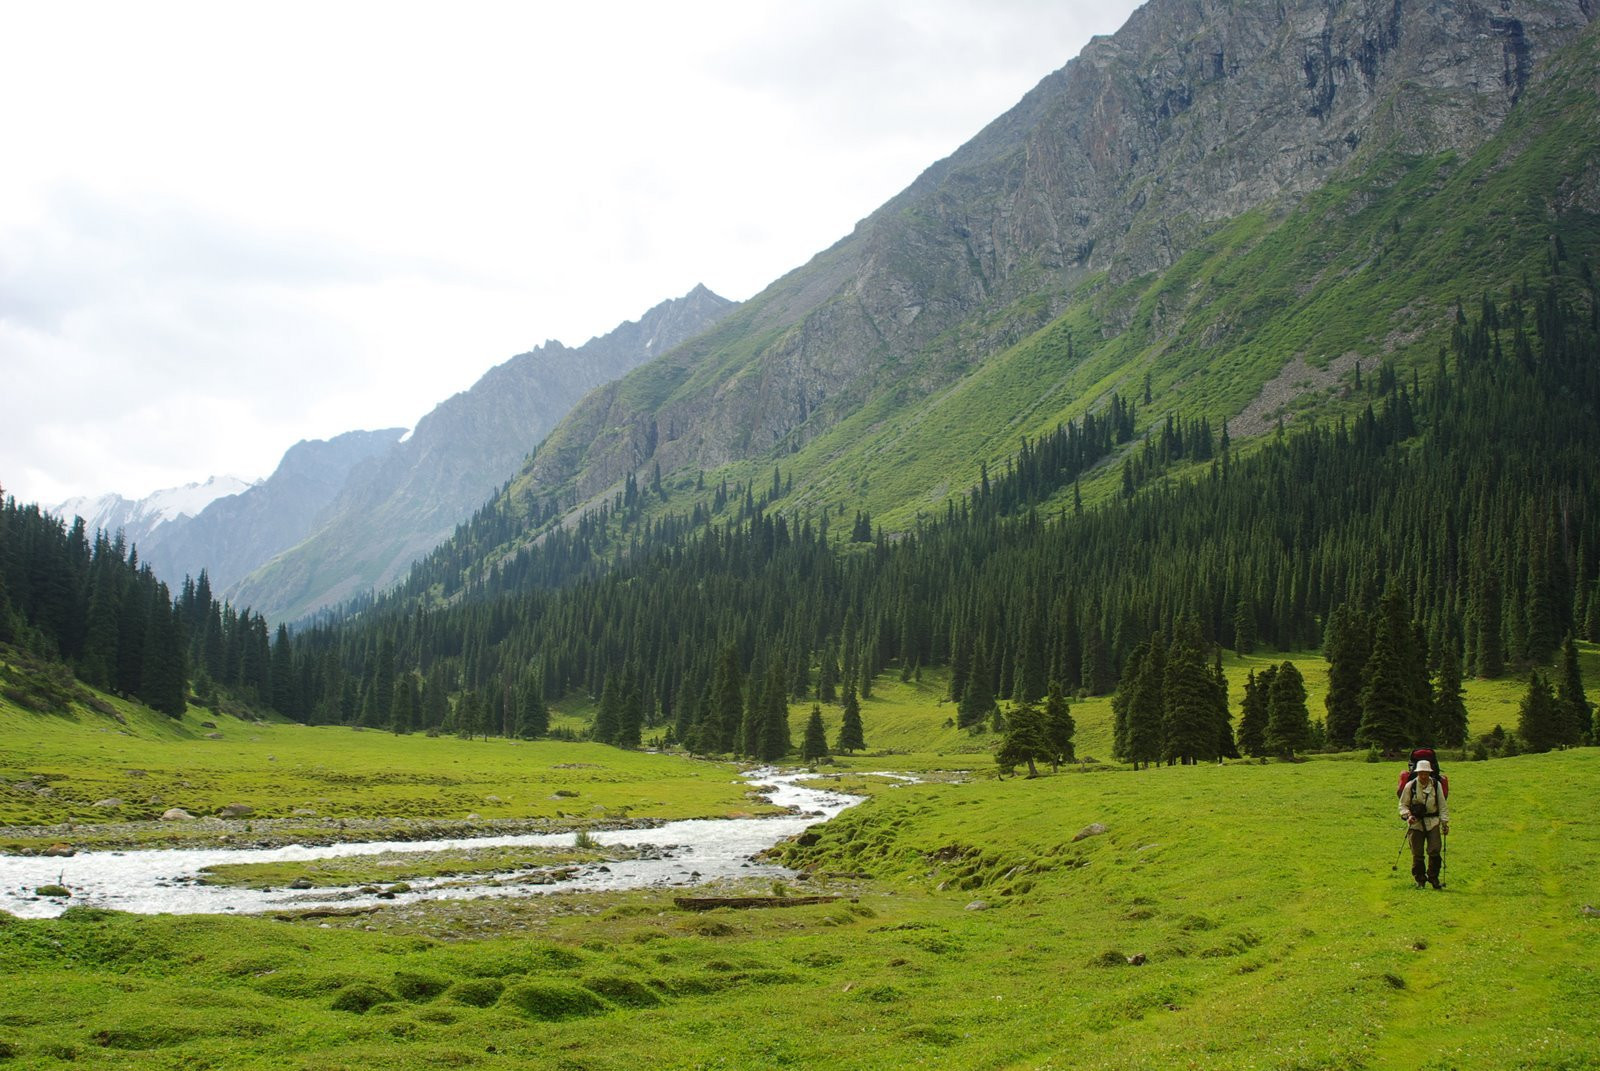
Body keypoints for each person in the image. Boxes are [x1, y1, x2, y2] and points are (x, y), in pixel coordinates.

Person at [1399, 759, 1449, 889]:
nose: (1423, 776)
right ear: (1417, 773)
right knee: (1417, 852)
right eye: (1421, 773)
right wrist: (1408, 816)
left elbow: (1443, 805)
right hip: (1415, 823)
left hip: (1433, 822)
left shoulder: (1436, 785)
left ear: (1429, 773)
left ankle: (1434, 878)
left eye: (1426, 773)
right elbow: (1403, 805)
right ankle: (1420, 880)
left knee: (1434, 850)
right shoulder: (1410, 786)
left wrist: (1445, 823)